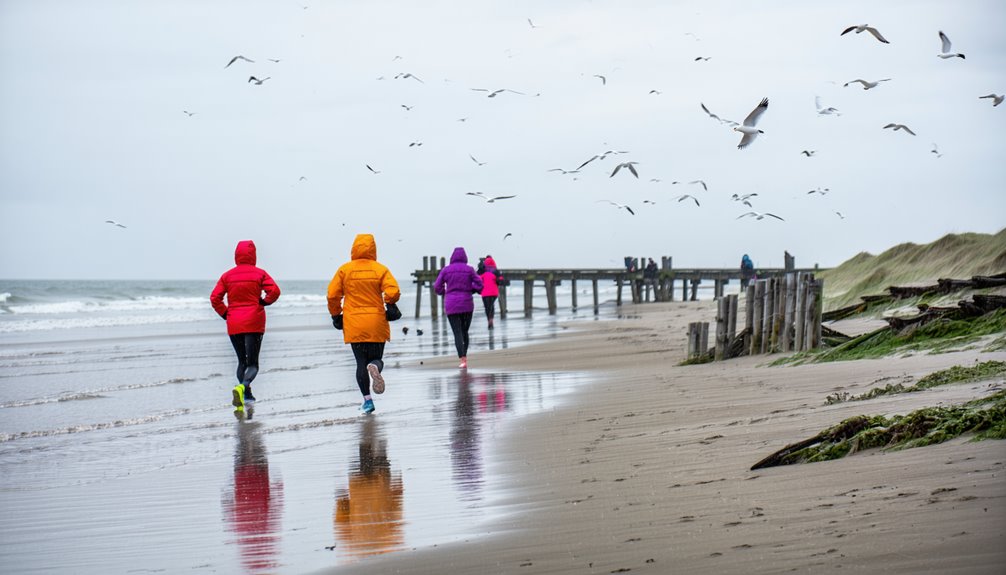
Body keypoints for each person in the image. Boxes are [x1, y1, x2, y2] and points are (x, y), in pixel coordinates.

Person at [328, 234, 401, 415]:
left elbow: (332, 295)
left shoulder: (345, 270)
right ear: (373, 249)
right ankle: (375, 367)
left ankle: (367, 401)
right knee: (376, 359)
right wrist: (389, 302)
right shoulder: (380, 269)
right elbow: (393, 290)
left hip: (354, 323)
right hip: (376, 321)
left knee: (360, 362)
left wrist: (336, 314)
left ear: (353, 249)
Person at [210, 240, 281, 412]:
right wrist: (264, 302)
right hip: (254, 322)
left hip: (234, 322)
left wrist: (226, 314)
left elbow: (215, 298)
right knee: (253, 364)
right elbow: (275, 291)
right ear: (253, 255)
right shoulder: (259, 273)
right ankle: (243, 386)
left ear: (236, 255)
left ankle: (246, 394)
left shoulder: (227, 276)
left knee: (242, 361)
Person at [434, 247, 483, 369]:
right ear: (465, 257)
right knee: (464, 331)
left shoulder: (446, 270)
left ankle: (462, 359)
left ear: (452, 258)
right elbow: (480, 284)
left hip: (451, 305)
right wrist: (472, 289)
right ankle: (464, 357)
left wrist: (444, 292)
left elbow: (436, 286)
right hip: (467, 305)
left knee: (457, 332)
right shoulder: (469, 270)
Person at [479, 255, 503, 329]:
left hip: (485, 292)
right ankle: (491, 319)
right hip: (494, 292)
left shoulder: (483, 269)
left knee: (487, 307)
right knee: (492, 305)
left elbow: (477, 277)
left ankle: (489, 320)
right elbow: (500, 280)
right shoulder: (495, 270)